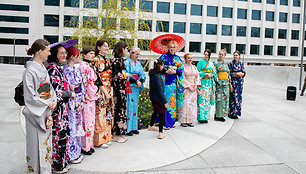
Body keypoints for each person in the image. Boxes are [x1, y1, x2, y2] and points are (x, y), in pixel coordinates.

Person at [23, 39, 56, 174]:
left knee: (45, 143)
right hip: (36, 113)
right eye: (47, 51)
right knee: (35, 144)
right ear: (39, 51)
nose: (49, 54)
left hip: (45, 110)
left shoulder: (43, 68)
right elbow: (30, 96)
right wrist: (48, 102)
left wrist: (53, 100)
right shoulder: (30, 70)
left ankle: (45, 170)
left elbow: (50, 89)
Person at [47, 44, 76, 173]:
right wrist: (70, 93)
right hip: (57, 110)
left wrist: (68, 85)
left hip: (63, 109)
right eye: (61, 53)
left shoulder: (58, 68)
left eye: (65, 53)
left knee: (64, 135)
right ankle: (57, 165)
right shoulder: (52, 69)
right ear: (55, 55)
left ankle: (62, 162)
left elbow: (61, 86)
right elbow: (56, 92)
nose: (65, 55)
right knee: (58, 136)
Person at [63, 46, 85, 163]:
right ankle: (71, 155)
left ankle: (77, 151)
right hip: (71, 101)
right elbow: (67, 87)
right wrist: (76, 102)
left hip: (79, 98)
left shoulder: (76, 69)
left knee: (78, 126)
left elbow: (82, 85)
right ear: (72, 56)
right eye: (77, 55)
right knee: (71, 126)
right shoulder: (65, 70)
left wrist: (82, 101)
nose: (79, 57)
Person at [91, 39, 113, 148]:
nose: (107, 48)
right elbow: (97, 79)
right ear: (98, 47)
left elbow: (111, 76)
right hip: (101, 89)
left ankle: (107, 137)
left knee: (108, 113)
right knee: (100, 113)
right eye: (104, 46)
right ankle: (99, 140)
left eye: (107, 46)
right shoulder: (95, 60)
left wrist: (111, 91)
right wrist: (105, 91)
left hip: (108, 87)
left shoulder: (107, 60)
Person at [159, 40, 184, 129]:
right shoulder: (163, 56)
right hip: (165, 82)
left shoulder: (177, 58)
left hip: (173, 82)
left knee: (172, 102)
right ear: (168, 47)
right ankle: (165, 123)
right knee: (165, 102)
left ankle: (171, 122)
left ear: (176, 48)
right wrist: (165, 71)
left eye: (174, 47)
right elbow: (158, 66)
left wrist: (175, 71)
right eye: (170, 47)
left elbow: (181, 68)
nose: (172, 49)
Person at [79, 46, 99, 155]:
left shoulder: (88, 65)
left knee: (90, 121)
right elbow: (87, 83)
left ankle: (88, 145)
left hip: (90, 95)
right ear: (84, 54)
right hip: (87, 96)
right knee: (87, 121)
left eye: (93, 53)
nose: (92, 55)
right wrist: (94, 92)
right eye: (90, 53)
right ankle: (85, 147)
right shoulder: (84, 66)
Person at [125, 47, 146, 136]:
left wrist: (140, 81)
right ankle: (128, 129)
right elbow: (126, 74)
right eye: (136, 54)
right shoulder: (126, 62)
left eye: (138, 54)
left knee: (135, 107)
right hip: (130, 86)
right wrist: (135, 81)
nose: (137, 56)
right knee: (129, 106)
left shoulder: (138, 64)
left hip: (136, 87)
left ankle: (134, 127)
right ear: (131, 53)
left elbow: (142, 74)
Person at [111, 41, 129, 143]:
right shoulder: (115, 61)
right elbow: (117, 76)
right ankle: (116, 133)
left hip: (123, 88)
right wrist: (126, 76)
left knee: (123, 110)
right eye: (125, 48)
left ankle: (121, 132)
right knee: (118, 110)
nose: (126, 50)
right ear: (121, 49)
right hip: (117, 89)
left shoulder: (122, 61)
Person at [197, 49, 218, 123]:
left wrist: (212, 75)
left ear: (209, 55)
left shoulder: (211, 63)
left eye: (207, 55)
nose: (206, 56)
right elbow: (198, 72)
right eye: (205, 54)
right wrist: (205, 74)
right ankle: (200, 118)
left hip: (209, 84)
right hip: (202, 83)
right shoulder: (200, 62)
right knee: (201, 100)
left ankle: (206, 118)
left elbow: (214, 73)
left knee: (207, 101)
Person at [178, 53, 200, 127]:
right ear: (185, 59)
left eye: (191, 58)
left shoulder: (194, 67)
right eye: (188, 58)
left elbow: (197, 77)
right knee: (185, 104)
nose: (190, 59)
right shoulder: (183, 67)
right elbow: (182, 77)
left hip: (193, 88)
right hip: (186, 88)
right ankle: (183, 120)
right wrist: (188, 86)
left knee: (192, 104)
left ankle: (190, 120)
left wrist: (195, 86)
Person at [149, 59, 168, 139]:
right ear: (160, 66)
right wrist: (164, 102)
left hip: (153, 97)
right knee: (161, 113)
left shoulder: (152, 73)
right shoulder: (158, 77)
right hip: (158, 98)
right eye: (162, 65)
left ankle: (151, 125)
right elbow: (160, 91)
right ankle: (160, 132)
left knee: (156, 111)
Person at [214, 49, 231, 122]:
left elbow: (228, 74)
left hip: (226, 84)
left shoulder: (226, 64)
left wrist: (230, 84)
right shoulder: (216, 63)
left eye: (222, 55)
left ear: (225, 55)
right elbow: (215, 73)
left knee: (226, 99)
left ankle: (223, 114)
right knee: (219, 99)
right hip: (219, 84)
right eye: (219, 54)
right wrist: (217, 82)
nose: (220, 56)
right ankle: (218, 115)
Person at [228, 51, 246, 119]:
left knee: (238, 98)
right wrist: (237, 74)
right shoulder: (231, 64)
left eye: (236, 55)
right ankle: (231, 113)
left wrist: (243, 74)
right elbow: (229, 74)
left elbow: (244, 72)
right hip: (233, 82)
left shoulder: (241, 64)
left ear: (239, 56)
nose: (235, 56)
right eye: (234, 55)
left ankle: (236, 113)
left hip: (239, 83)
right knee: (232, 98)